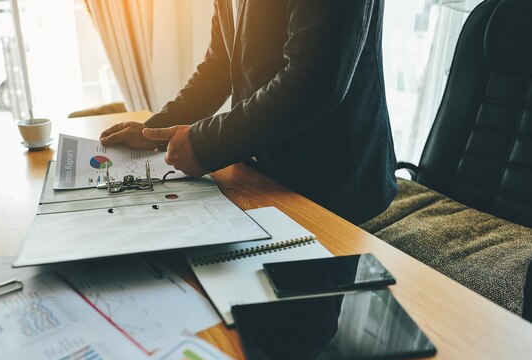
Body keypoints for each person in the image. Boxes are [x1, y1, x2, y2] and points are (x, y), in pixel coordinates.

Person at [100, 0, 397, 224]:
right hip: (267, 174)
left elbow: (314, 80)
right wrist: (155, 130)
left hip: (335, 189)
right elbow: (220, 62)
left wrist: (205, 143)